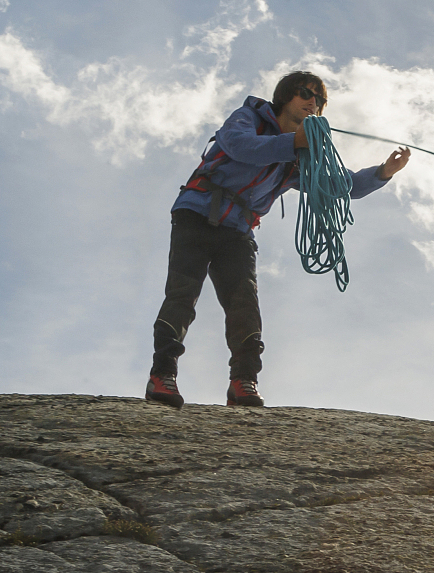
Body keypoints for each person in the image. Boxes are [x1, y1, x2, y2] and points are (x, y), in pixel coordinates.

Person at [144, 71, 410, 409]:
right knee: (183, 293)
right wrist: (293, 143)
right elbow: (240, 146)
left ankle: (244, 381)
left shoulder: (301, 157)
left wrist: (383, 172)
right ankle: (162, 375)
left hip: (238, 231)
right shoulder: (249, 118)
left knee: (244, 304)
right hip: (195, 214)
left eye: (319, 99)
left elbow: (339, 186)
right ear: (285, 96)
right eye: (304, 92)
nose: (312, 101)